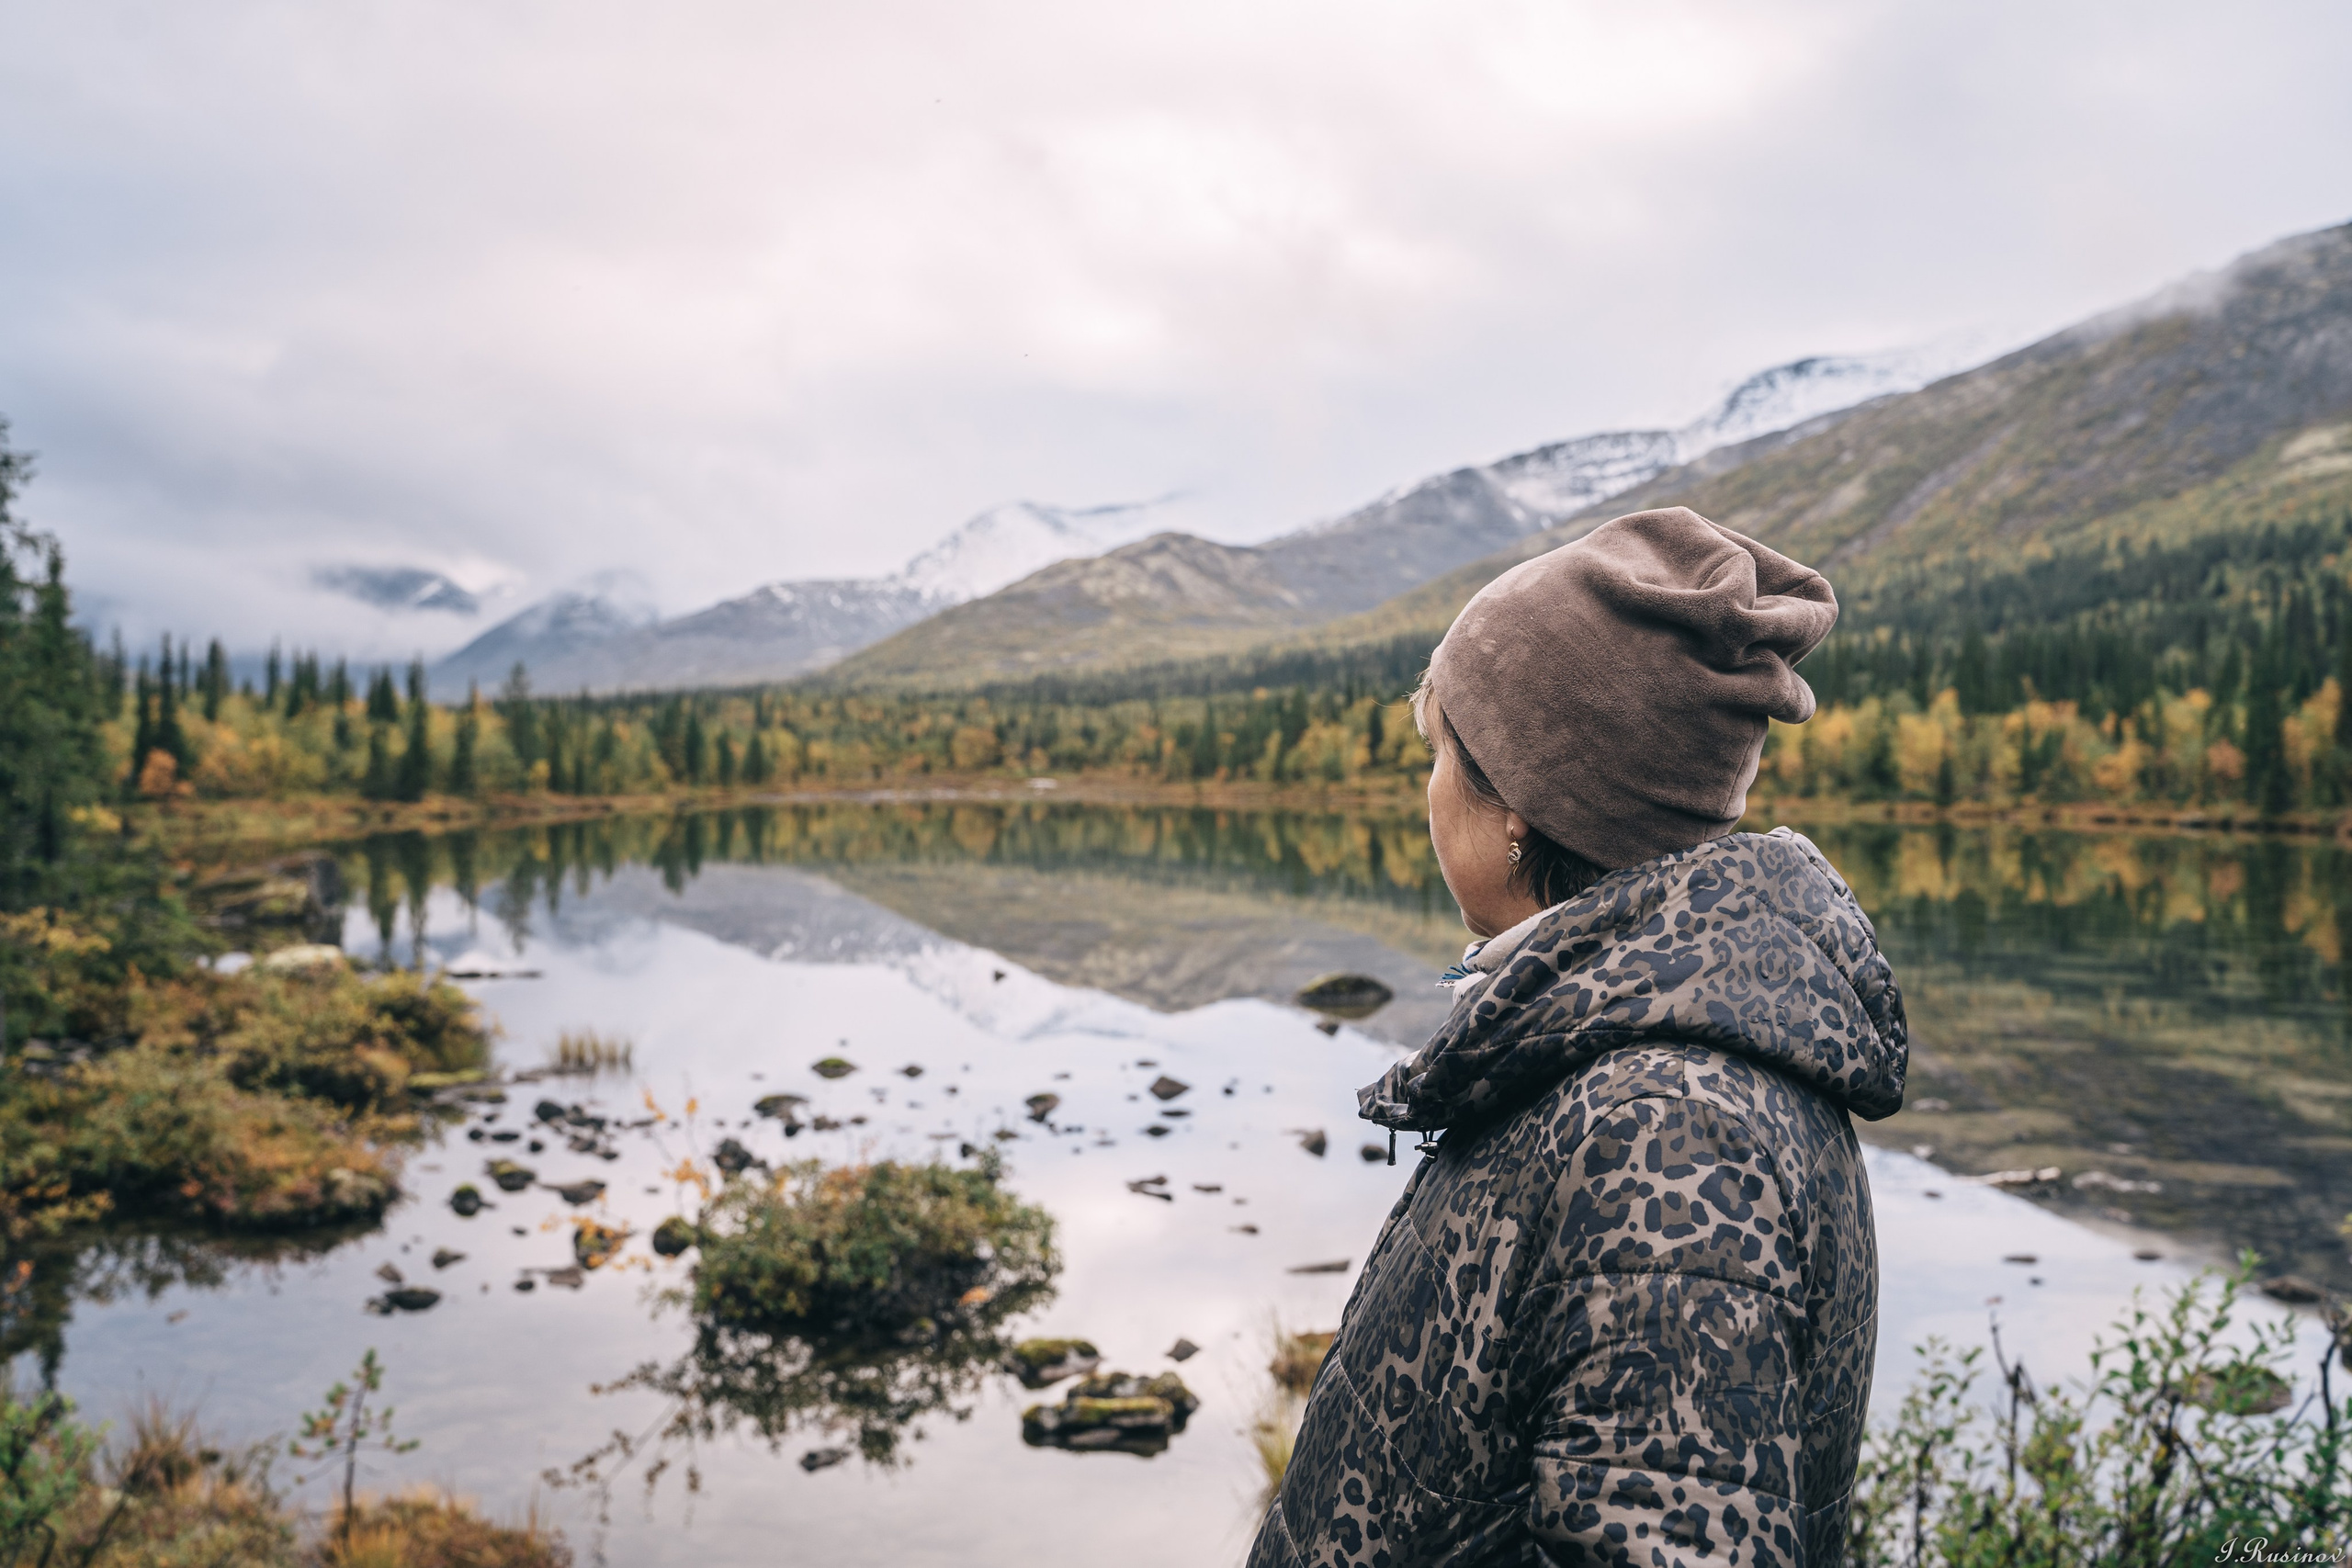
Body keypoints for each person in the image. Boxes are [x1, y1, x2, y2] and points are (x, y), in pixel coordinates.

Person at [1248, 507, 1909, 1568]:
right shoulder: (1619, 1049)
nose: (1427, 794)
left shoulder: (1668, 1130)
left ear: (1514, 801)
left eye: (1439, 755)